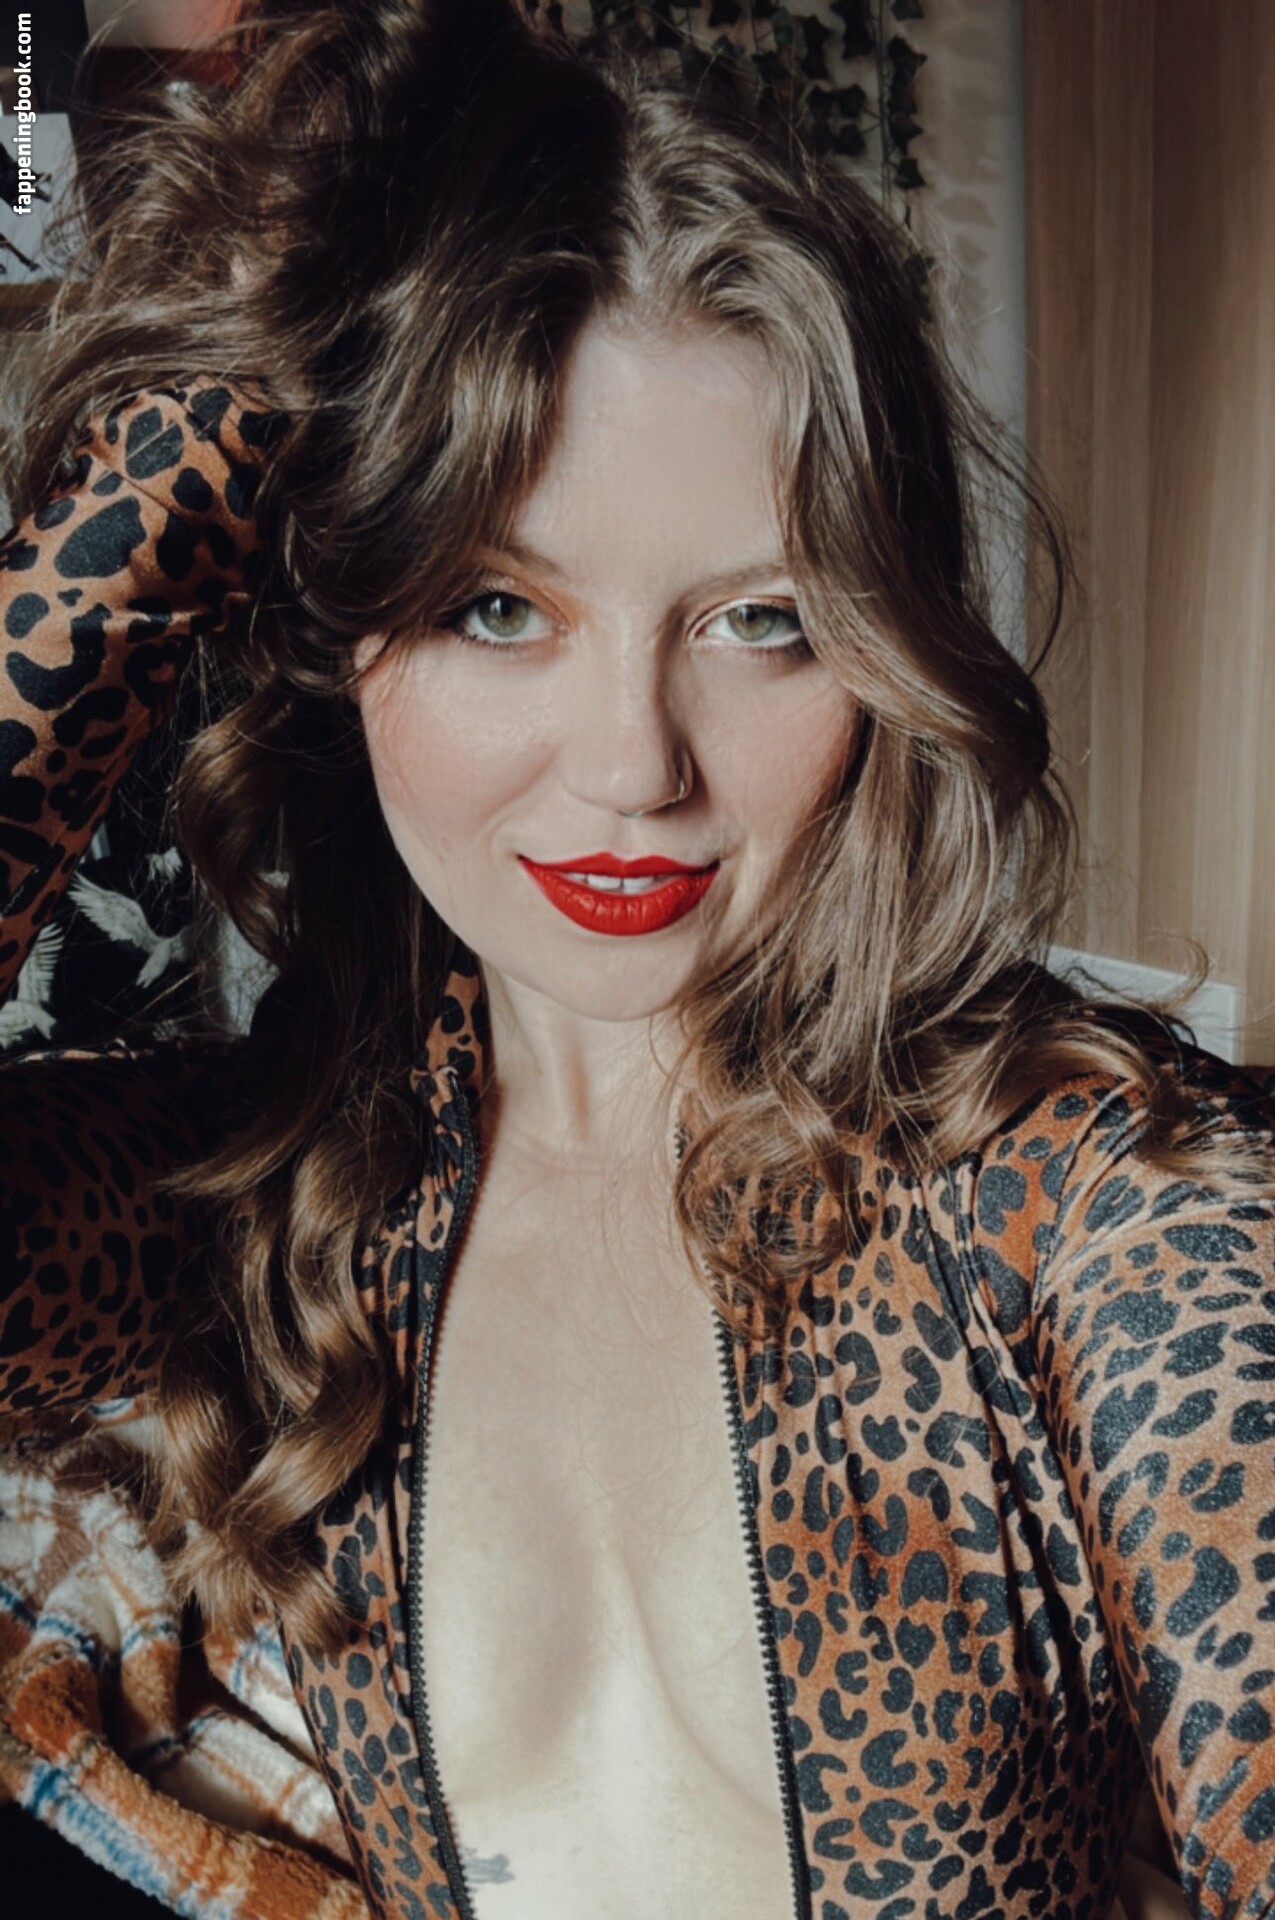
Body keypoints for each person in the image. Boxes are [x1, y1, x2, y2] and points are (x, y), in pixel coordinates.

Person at [1, 4, 1272, 1917]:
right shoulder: (262, 1207)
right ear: (340, 632)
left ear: (887, 648)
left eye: (760, 621)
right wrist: (241, 350)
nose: (632, 767)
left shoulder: (1101, 1208)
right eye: (495, 604)